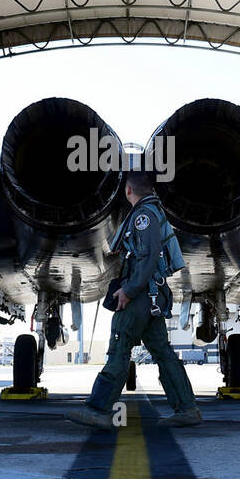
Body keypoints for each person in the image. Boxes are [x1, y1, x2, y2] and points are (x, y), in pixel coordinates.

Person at [67, 171, 202, 429]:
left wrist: (128, 290)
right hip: (151, 297)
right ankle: (186, 408)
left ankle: (98, 409)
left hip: (140, 296)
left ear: (129, 191)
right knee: (162, 352)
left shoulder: (143, 217)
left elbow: (148, 258)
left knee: (119, 345)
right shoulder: (153, 213)